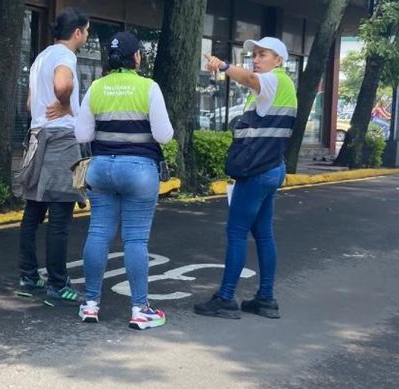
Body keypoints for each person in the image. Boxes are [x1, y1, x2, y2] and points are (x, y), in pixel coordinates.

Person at [74, 32, 174, 330]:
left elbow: (82, 135)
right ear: (137, 58)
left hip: (101, 169)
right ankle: (140, 310)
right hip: (140, 171)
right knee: (135, 239)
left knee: (99, 233)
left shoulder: (96, 87)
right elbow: (164, 135)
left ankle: (90, 305)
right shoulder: (148, 87)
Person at [194, 37, 296, 320]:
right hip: (272, 168)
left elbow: (249, 78)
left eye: (263, 54)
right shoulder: (279, 87)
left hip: (256, 171)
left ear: (278, 60)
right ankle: (265, 299)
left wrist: (224, 65)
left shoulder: (274, 80)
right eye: (254, 54)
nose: (256, 59)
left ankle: (226, 298)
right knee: (263, 234)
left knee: (237, 232)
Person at [15, 7, 89, 307]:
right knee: (60, 214)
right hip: (61, 141)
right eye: (87, 31)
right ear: (77, 33)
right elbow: (62, 85)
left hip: (37, 139)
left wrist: (52, 107)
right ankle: (58, 284)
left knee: (33, 212)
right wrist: (66, 104)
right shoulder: (65, 57)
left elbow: (31, 101)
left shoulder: (40, 58)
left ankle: (28, 278)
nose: (87, 36)